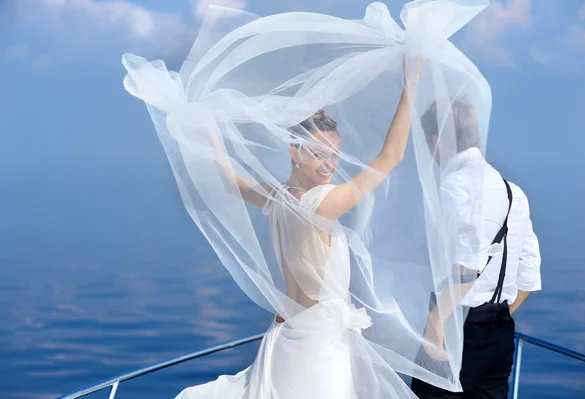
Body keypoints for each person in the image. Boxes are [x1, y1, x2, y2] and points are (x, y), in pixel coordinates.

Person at [121, 1, 494, 397]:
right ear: (294, 152)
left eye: (334, 154)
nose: (329, 165)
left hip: (286, 337)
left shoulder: (277, 198)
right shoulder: (321, 204)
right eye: (318, 154)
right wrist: (412, 81)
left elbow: (229, 178)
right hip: (320, 348)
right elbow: (390, 157)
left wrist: (203, 127)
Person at [410, 98, 542, 399]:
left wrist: (435, 325)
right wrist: (494, 315)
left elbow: (467, 265)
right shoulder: (514, 193)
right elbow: (529, 273)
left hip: (453, 327)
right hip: (499, 332)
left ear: (436, 140)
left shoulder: (454, 186)